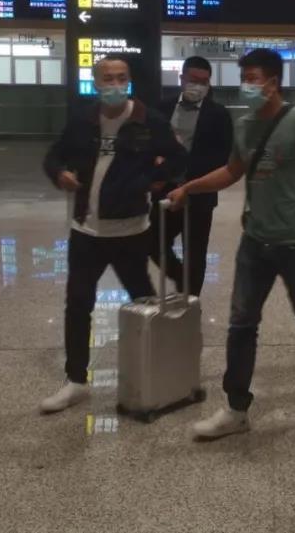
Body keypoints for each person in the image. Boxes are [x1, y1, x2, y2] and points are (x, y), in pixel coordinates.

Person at [168, 48, 295, 440]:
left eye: (253, 78)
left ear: (273, 83)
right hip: (255, 241)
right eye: (243, 78)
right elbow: (231, 171)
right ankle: (236, 407)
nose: (246, 85)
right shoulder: (244, 125)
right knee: (241, 323)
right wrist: (189, 188)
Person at [40, 55, 187, 413]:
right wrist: (59, 174)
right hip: (86, 231)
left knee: (145, 305)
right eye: (108, 78)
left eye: (121, 78)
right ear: (96, 83)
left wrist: (152, 180)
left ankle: (157, 374)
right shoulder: (84, 121)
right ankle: (76, 380)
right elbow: (53, 156)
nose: (115, 85)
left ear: (129, 81)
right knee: (78, 305)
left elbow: (178, 159)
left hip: (131, 232)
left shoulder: (148, 121)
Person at [151, 56, 233, 296]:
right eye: (193, 80)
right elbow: (149, 144)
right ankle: (181, 278)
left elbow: (222, 156)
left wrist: (188, 178)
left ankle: (191, 301)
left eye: (204, 82)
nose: (198, 86)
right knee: (152, 242)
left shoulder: (218, 114)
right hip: (165, 190)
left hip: (199, 192)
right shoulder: (162, 108)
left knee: (195, 253)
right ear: (182, 79)